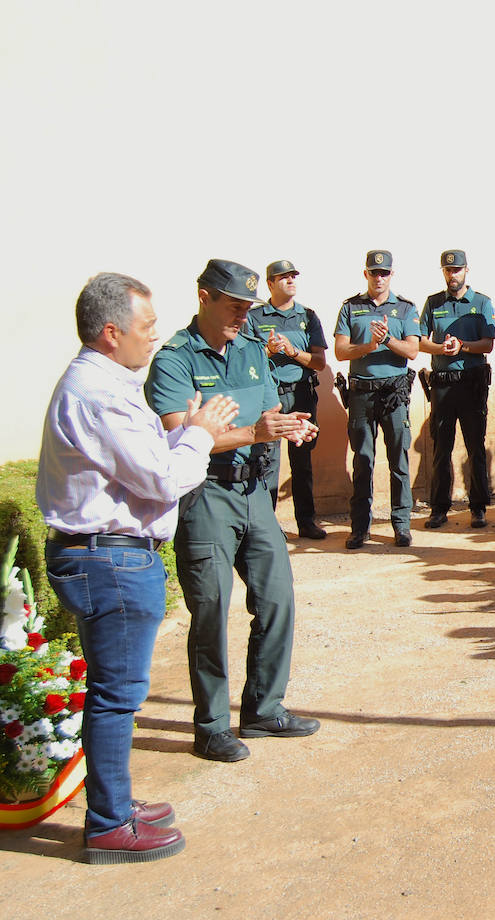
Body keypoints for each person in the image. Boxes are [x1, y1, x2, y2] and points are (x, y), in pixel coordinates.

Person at [38, 272, 238, 863]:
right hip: (110, 560)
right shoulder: (98, 393)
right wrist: (200, 435)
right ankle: (107, 825)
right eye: (145, 328)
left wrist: (191, 435)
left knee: (115, 690)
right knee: (116, 695)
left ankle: (115, 805)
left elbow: (150, 465)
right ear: (110, 332)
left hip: (111, 556)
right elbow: (162, 479)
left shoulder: (106, 382)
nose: (154, 338)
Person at [145, 259, 321, 763]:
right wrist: (251, 433)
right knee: (210, 610)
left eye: (248, 307)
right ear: (204, 298)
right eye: (234, 307)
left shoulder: (250, 349)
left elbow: (268, 412)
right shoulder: (175, 360)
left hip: (253, 493)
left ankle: (264, 709)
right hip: (204, 497)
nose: (244, 316)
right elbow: (183, 437)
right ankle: (212, 725)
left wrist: (289, 426)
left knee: (277, 598)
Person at [334, 250, 422, 548]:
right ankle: (360, 527)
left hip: (394, 393)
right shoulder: (350, 307)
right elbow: (340, 351)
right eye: (374, 272)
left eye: (384, 272)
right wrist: (370, 345)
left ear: (391, 275)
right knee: (363, 460)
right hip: (361, 393)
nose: (379, 277)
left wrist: (387, 341)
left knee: (399, 459)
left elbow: (412, 351)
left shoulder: (406, 308)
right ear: (366, 274)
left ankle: (401, 525)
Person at [245, 260, 328, 540]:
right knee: (267, 462)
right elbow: (245, 361)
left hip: (302, 394)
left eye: (293, 276)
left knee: (302, 461)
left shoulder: (308, 316)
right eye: (283, 277)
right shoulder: (254, 318)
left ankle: (306, 522)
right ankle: (267, 527)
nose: (291, 280)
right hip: (269, 398)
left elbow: (319, 362)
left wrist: (293, 352)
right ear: (270, 283)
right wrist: (267, 351)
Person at [419, 249, 495, 530]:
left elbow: (488, 344)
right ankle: (439, 509)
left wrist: (462, 345)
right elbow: (419, 341)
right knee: (442, 449)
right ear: (443, 272)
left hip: (472, 384)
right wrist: (441, 348)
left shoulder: (482, 303)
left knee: (475, 448)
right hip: (442, 385)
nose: (453, 275)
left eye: (457, 270)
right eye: (448, 270)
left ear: (466, 270)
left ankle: (478, 508)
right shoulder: (433, 303)